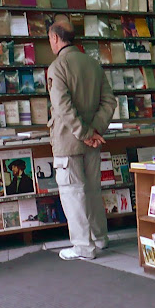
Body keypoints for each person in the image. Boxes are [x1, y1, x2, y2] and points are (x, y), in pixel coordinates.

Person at [47, 14, 117, 260]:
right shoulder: (93, 64)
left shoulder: (57, 67)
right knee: (92, 191)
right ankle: (100, 238)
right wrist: (94, 131)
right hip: (93, 142)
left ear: (55, 38)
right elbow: (109, 101)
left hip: (68, 142)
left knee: (72, 192)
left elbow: (63, 108)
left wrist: (85, 133)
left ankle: (83, 247)